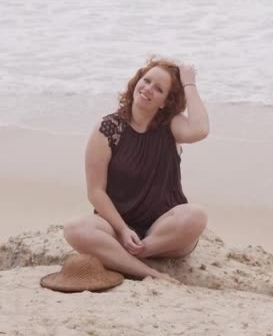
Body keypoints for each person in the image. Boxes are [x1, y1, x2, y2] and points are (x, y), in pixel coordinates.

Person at [63, 58, 209, 281]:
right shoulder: (108, 129)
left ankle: (130, 255)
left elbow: (200, 129)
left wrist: (189, 83)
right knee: (75, 229)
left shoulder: (170, 124)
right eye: (146, 80)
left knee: (196, 216)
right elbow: (96, 192)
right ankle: (146, 271)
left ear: (164, 102)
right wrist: (122, 230)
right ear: (136, 82)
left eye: (158, 89)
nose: (148, 89)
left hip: (164, 232)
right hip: (116, 227)